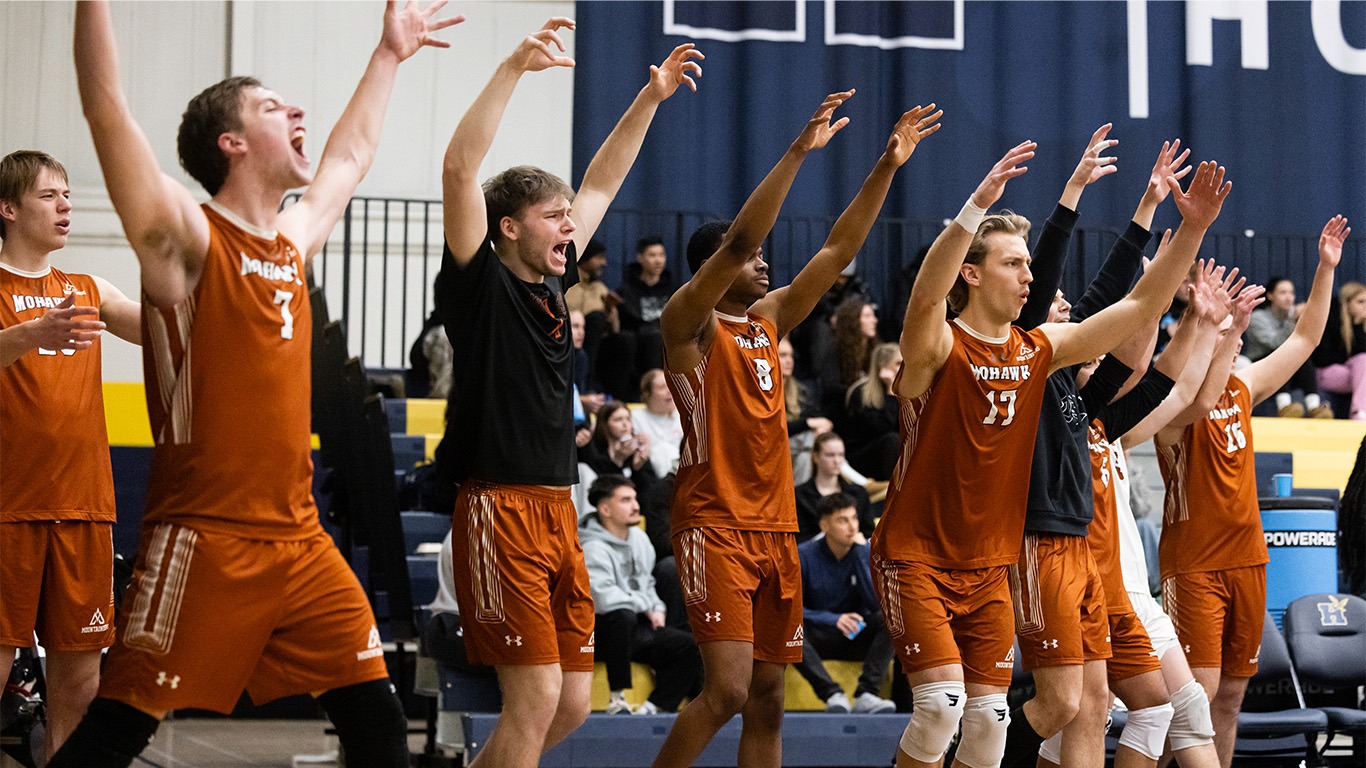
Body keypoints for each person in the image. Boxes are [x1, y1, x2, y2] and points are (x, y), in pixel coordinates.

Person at [54, 3, 461, 766]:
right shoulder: (188, 239)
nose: (297, 108)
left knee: (378, 720)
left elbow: (350, 159)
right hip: (204, 535)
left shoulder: (289, 245)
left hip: (300, 538)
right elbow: (106, 110)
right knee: (119, 729)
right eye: (273, 107)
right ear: (231, 144)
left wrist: (389, 55)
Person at [873, 138, 1229, 768]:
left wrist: (1192, 230)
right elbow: (926, 298)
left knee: (989, 723)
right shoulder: (938, 346)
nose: (1030, 275)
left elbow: (1141, 306)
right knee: (941, 708)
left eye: (1028, 265)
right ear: (974, 273)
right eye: (1014, 263)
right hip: (917, 552)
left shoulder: (1038, 352)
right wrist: (976, 205)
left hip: (989, 562)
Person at [434, 17, 703, 766]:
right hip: (498, 507)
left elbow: (603, 179)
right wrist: (514, 67)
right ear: (508, 226)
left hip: (560, 508)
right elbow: (460, 168)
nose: (569, 225)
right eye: (553, 217)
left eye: (566, 216)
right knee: (535, 701)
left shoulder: (554, 275)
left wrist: (649, 100)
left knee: (573, 706)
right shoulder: (479, 284)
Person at [654, 93, 942, 768]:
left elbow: (840, 247)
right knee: (724, 690)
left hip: (775, 528)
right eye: (749, 262)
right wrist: (797, 152)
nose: (764, 264)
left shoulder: (767, 323)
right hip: (715, 524)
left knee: (769, 696)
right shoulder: (688, 326)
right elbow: (740, 242)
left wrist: (886, 166)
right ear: (713, 272)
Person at [1001, 131, 1192, 768]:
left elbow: (1128, 327)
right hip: (1039, 539)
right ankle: (967, 758)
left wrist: (1148, 212)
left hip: (1077, 545)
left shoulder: (1069, 385)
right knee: (1061, 705)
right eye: (1032, 285)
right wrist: (1076, 192)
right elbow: (1090, 292)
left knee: (1093, 702)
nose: (1051, 296)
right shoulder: (1020, 358)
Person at [1154, 215, 1349, 768]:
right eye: (1220, 327)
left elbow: (1307, 337)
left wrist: (1325, 269)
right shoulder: (1173, 404)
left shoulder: (1244, 386)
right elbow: (1194, 394)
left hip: (1248, 559)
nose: (1231, 334)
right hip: (1194, 564)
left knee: (1232, 698)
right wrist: (1211, 323)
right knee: (1197, 699)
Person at [0, 150, 140, 761]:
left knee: (79, 692)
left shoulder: (88, 289)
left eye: (67, 195)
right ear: (8, 208)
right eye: (49, 195)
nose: (65, 206)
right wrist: (32, 334)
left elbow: (161, 324)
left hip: (84, 509)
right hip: (7, 510)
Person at [580, 475, 702, 715]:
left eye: (635, 498)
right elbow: (603, 599)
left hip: (635, 629)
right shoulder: (591, 547)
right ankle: (618, 699)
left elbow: (647, 582)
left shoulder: (639, 538)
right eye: (626, 500)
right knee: (621, 616)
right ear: (605, 509)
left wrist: (656, 606)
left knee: (689, 645)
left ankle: (656, 706)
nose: (636, 506)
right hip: (600, 633)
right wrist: (645, 606)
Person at [793, 494, 896, 714]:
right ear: (824, 525)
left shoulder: (866, 552)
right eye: (843, 520)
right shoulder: (804, 555)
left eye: (854, 519)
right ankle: (832, 694)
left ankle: (866, 695)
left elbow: (876, 602)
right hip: (819, 635)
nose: (852, 527)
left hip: (856, 635)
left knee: (893, 618)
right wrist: (833, 619)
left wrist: (860, 554)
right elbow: (793, 610)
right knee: (788, 630)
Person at [1243, 276, 1328, 417]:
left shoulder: (1294, 313)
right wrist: (1293, 320)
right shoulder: (1257, 318)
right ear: (1270, 295)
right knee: (1281, 357)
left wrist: (1309, 316)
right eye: (1283, 293)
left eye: (1291, 293)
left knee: (1303, 359)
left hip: (1287, 370)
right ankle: (1284, 407)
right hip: (1260, 364)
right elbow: (1275, 343)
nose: (1289, 298)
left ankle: (1314, 407)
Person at [794, 432, 872, 542]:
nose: (836, 461)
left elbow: (869, 533)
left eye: (840, 455)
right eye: (830, 455)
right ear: (816, 456)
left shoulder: (859, 493)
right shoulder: (799, 496)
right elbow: (800, 539)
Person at [841, 342, 903, 481]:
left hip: (887, 451)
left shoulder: (903, 391)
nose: (903, 368)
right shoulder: (861, 392)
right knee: (891, 440)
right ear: (883, 366)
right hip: (861, 454)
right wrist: (890, 392)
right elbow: (882, 428)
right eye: (898, 363)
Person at [779, 336, 833, 483]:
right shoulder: (763, 391)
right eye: (783, 355)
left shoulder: (799, 390)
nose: (790, 361)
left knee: (814, 444)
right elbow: (777, 429)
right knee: (810, 441)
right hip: (776, 448)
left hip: (798, 448)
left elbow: (815, 416)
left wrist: (817, 427)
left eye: (791, 355)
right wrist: (808, 424)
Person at [581, 400, 660, 497]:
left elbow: (651, 492)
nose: (625, 424)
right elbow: (601, 489)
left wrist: (638, 469)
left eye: (628, 419)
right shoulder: (594, 449)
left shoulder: (637, 449)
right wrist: (618, 460)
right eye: (618, 420)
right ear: (604, 424)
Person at [1313, 281, 1366, 419]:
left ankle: (1360, 412)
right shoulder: (1331, 321)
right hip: (1327, 372)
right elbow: (1322, 357)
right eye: (1360, 302)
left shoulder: (1361, 325)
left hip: (1353, 372)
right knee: (1363, 365)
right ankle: (1358, 411)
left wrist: (1358, 326)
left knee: (1363, 362)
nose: (1365, 306)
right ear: (1347, 303)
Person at [632, 368, 684, 478]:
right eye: (662, 388)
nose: (669, 391)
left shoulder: (683, 414)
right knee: (663, 449)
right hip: (652, 476)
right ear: (647, 394)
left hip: (685, 469)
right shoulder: (635, 418)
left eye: (670, 385)